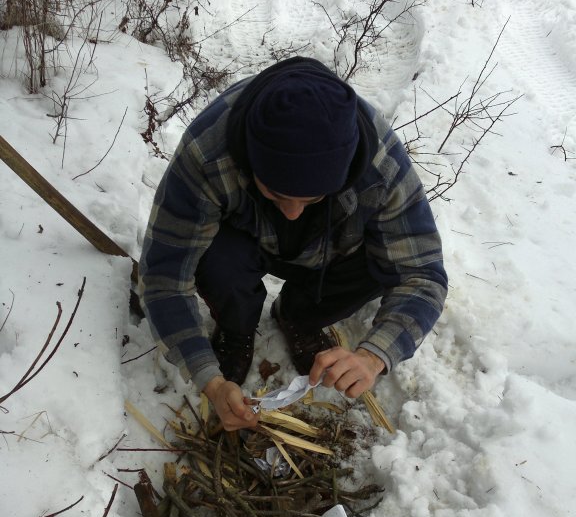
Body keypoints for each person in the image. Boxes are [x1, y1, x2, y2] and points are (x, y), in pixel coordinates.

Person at [139, 57, 447, 431]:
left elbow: (423, 274)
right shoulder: (208, 152)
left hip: (332, 248)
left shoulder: (380, 165)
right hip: (243, 240)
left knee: (381, 265)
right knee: (216, 260)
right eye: (275, 192)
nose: (292, 214)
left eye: (311, 199)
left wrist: (373, 356)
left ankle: (298, 316)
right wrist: (210, 379)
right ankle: (236, 327)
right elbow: (165, 277)